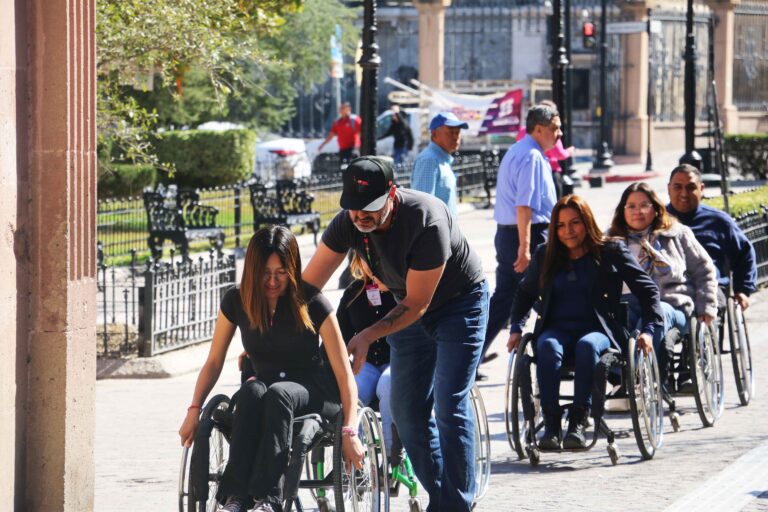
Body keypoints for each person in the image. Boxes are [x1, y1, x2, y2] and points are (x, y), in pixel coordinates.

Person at [302, 155, 488, 512]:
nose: (361, 217)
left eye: (369, 207)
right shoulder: (349, 222)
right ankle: (443, 499)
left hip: (458, 305)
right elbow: (308, 287)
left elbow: (419, 303)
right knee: (405, 410)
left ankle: (456, 506)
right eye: (353, 209)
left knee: (450, 403)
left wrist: (367, 334)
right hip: (408, 307)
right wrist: (273, 333)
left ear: (392, 193)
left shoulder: (425, 219)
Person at [178, 226, 364, 512]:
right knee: (251, 390)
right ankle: (236, 498)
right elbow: (214, 361)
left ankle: (269, 500)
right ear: (253, 270)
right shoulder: (236, 301)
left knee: (279, 393)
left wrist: (350, 432)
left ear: (292, 268)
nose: (273, 281)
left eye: (281, 272)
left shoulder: (312, 301)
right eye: (265, 273)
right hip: (264, 390)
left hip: (313, 391)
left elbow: (344, 375)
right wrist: (194, 410)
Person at [507, 195, 661, 450]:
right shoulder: (546, 254)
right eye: (561, 225)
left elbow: (647, 290)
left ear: (587, 223)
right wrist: (515, 328)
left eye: (575, 223)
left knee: (587, 346)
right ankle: (552, 424)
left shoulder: (610, 251)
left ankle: (579, 421)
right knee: (546, 346)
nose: (568, 231)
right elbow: (525, 293)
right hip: (556, 329)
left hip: (598, 331)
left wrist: (648, 330)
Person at [607, 182, 718, 392]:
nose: (637, 211)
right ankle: (620, 377)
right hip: (627, 302)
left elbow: (704, 270)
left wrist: (707, 307)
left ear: (656, 208)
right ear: (623, 211)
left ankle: (640, 375)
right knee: (614, 320)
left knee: (655, 316)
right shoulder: (612, 240)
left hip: (672, 305)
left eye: (644, 205)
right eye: (631, 206)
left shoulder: (676, 233)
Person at [480, 104, 560, 370]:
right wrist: (525, 248)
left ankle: (471, 356)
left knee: (505, 299)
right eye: (554, 129)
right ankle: (561, 343)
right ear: (539, 129)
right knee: (544, 293)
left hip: (509, 234)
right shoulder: (532, 157)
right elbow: (524, 205)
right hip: (526, 235)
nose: (559, 134)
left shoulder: (519, 150)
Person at [666, 164, 757, 311]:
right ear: (668, 189)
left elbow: (744, 253)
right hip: (669, 290)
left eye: (690, 187)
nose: (684, 193)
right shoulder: (656, 221)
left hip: (710, 289)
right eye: (678, 187)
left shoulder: (718, 221)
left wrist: (743, 290)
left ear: (701, 189)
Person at [336, 253, 396, 455]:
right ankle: (357, 455)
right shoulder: (352, 294)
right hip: (366, 364)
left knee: (387, 385)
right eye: (366, 259)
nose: (372, 265)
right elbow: (339, 337)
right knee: (354, 390)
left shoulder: (400, 288)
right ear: (357, 260)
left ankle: (391, 451)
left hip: (396, 360)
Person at [410, 111, 469, 219]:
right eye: (450, 132)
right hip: (435, 234)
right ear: (434, 134)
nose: (456, 137)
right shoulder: (429, 160)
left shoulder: (442, 159)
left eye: (458, 132)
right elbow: (423, 208)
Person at [515, 100, 575, 199]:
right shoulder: (548, 134)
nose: (559, 133)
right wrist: (569, 151)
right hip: (551, 173)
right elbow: (559, 153)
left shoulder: (522, 134)